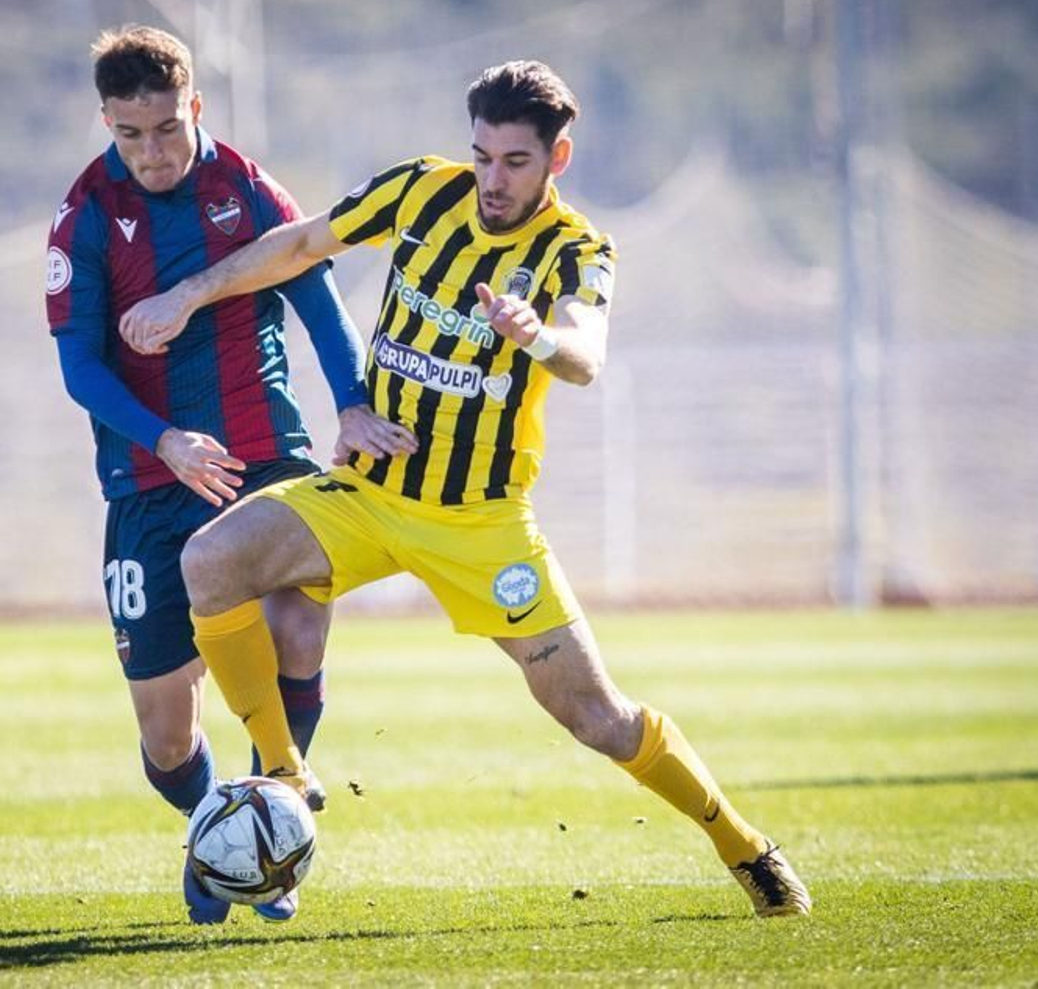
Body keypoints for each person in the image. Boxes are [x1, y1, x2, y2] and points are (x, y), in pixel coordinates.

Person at [119, 60, 812, 918]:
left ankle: (746, 848)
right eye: (481, 156)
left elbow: (587, 353)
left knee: (598, 718)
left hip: (482, 524)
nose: (491, 178)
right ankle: (285, 773)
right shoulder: (420, 190)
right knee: (212, 559)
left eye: (515, 162)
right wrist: (189, 294)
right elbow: (301, 244)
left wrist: (538, 337)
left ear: (557, 159)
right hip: (371, 494)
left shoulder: (577, 250)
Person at [44, 26, 416, 925]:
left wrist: (352, 404)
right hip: (148, 484)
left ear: (195, 108)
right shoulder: (85, 216)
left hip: (267, 462)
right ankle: (220, 826)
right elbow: (80, 368)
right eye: (131, 135)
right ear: (105, 122)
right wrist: (165, 438)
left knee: (298, 631)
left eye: (166, 128)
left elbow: (318, 301)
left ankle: (269, 822)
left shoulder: (246, 190)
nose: (152, 151)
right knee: (168, 739)